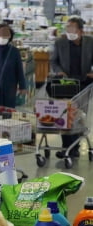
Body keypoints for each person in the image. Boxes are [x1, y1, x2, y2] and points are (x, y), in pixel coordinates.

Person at [49, 17, 93, 158]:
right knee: (65, 115)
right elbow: (54, 61)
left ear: (80, 31)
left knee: (78, 115)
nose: (69, 31)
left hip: (83, 83)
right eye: (68, 28)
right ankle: (67, 147)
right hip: (65, 84)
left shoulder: (90, 43)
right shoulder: (60, 42)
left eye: (73, 28)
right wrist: (58, 71)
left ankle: (76, 145)